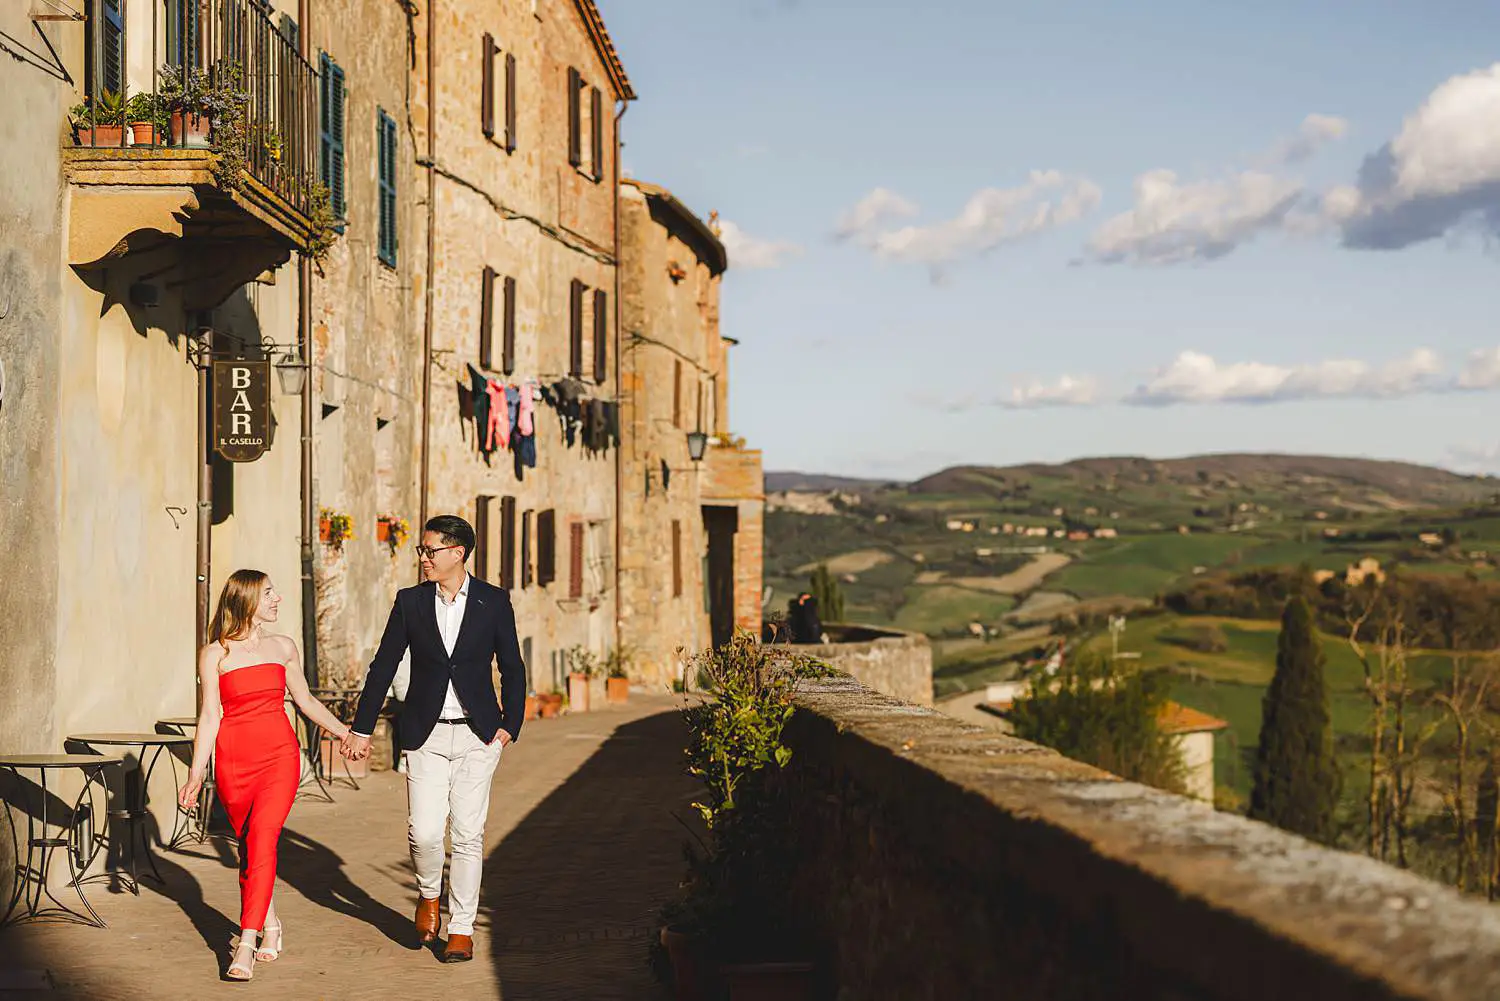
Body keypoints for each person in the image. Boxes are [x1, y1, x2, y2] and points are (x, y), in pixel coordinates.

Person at [341, 514, 527, 962]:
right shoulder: (410, 603)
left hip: (479, 736)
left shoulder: (493, 601)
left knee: (467, 834)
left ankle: (461, 927)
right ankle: (428, 894)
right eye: (422, 551)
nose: (423, 558)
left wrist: (509, 726)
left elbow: (513, 667)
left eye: (431, 551)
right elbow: (383, 666)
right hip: (424, 734)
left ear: (457, 553)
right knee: (424, 833)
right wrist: (362, 727)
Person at [178, 570, 352, 982]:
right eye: (269, 593)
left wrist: (346, 733)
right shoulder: (214, 654)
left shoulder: (284, 647)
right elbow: (209, 717)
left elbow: (305, 700)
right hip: (234, 764)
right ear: (248, 600)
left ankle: (246, 943)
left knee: (263, 839)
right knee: (250, 849)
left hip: (279, 757)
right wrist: (196, 773)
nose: (278, 599)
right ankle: (271, 922)